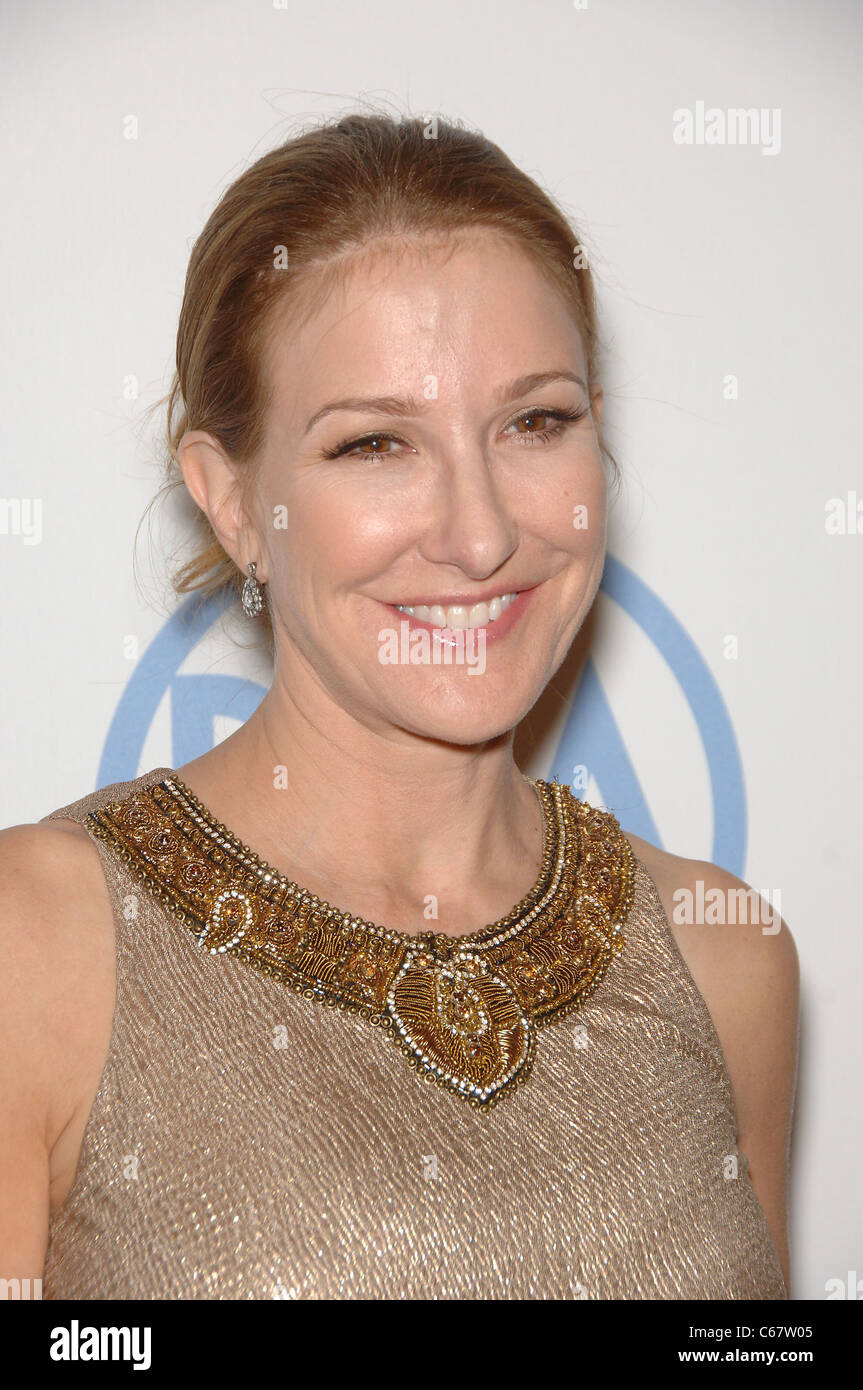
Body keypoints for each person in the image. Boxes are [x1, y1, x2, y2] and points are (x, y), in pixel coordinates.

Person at [0, 112, 798, 1300]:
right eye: (375, 443)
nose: (478, 533)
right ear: (230, 504)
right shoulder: (40, 948)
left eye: (536, 422)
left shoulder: (723, 953)